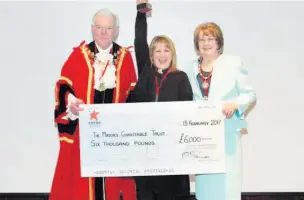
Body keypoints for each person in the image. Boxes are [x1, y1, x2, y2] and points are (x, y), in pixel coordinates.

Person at [50, 8, 137, 200]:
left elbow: (132, 96)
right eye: (99, 27)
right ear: (92, 29)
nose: (104, 32)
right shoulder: (78, 56)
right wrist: (71, 104)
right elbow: (63, 86)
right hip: (84, 138)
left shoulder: (125, 58)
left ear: (116, 31)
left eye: (108, 28)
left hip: (115, 138)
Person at [126, 0, 193, 199]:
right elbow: (139, 41)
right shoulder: (146, 73)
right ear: (151, 55)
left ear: (172, 54)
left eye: (166, 50)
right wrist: (141, 13)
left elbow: (188, 113)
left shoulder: (181, 78)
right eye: (157, 50)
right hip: (145, 152)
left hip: (172, 154)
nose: (162, 54)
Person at [185, 22, 257, 200]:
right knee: (205, 188)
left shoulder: (233, 63)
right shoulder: (189, 67)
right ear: (197, 44)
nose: (206, 43)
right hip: (201, 138)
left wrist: (235, 105)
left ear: (219, 42)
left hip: (227, 136)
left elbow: (249, 95)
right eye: (202, 39)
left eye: (210, 38)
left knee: (227, 187)